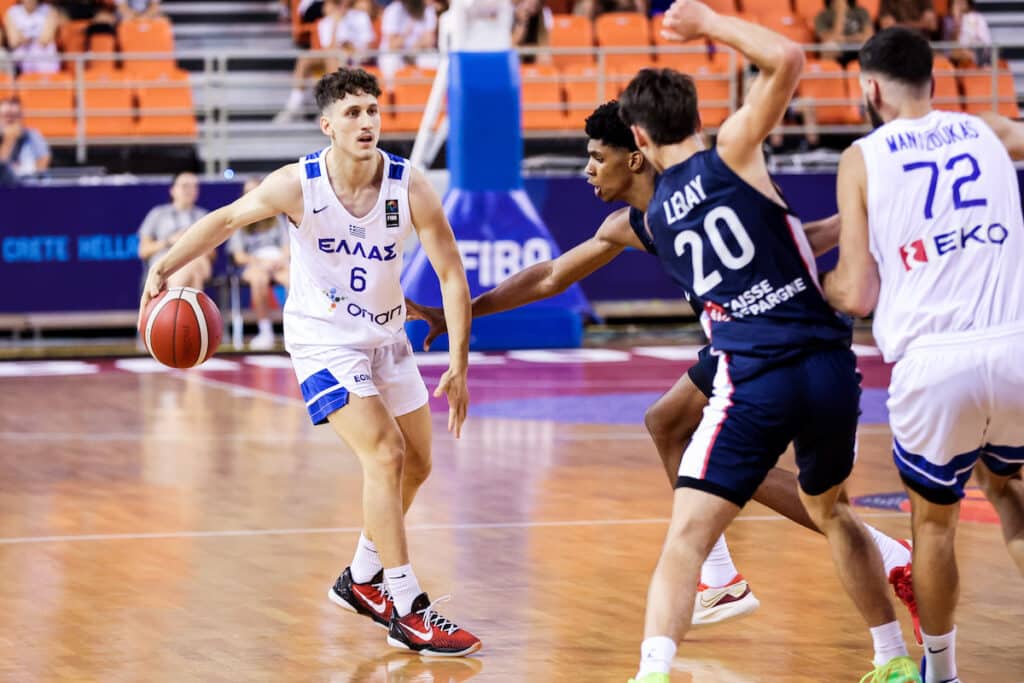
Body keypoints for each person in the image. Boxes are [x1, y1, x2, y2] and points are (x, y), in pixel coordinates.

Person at [407, 99, 919, 632]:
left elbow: (797, 242)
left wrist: (851, 220)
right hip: (735, 342)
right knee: (669, 424)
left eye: (596, 157)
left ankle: (876, 557)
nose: (587, 169)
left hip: (780, 340)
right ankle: (723, 578)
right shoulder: (631, 224)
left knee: (729, 456)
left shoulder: (709, 189)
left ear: (634, 158)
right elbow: (550, 276)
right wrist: (463, 311)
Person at [616, 2, 918, 681]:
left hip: (754, 373)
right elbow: (786, 58)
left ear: (638, 134)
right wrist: (710, 24)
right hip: (831, 365)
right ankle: (894, 660)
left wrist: (846, 220)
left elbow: (775, 243)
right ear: (697, 113)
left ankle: (653, 671)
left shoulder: (658, 216)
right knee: (832, 510)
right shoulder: (733, 152)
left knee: (687, 535)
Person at [138, 67, 480, 656]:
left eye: (372, 110)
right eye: (352, 114)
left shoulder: (410, 186)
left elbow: (451, 272)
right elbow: (224, 221)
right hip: (323, 342)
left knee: (419, 463)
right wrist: (166, 266)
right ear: (327, 125)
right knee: (386, 453)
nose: (366, 122)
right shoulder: (299, 184)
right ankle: (409, 607)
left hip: (387, 338)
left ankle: (361, 580)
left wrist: (459, 362)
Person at [823, 28, 1024, 683]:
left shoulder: (862, 157)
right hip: (1016, 343)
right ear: (935, 80)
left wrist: (809, 277)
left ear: (870, 88)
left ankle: (940, 672)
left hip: (935, 364)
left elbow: (856, 290)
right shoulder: (989, 128)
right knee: (1010, 490)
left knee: (934, 527)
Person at [276, 0, 375, 123]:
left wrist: (350, 49)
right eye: (337, 3)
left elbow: (367, 48)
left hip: (357, 59)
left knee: (333, 57)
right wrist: (336, 25)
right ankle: (294, 105)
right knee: (307, 58)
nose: (342, 4)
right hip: (336, 58)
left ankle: (330, 109)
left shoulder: (361, 17)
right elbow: (328, 48)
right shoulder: (326, 22)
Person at [227, 177, 291, 350]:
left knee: (292, 279)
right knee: (259, 280)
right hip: (254, 265)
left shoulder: (276, 216)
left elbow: (287, 247)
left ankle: (295, 330)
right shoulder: (239, 219)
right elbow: (239, 256)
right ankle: (265, 332)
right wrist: (261, 262)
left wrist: (278, 260)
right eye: (248, 191)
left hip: (277, 263)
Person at [137, 171, 214, 291]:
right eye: (185, 186)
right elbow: (143, 251)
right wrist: (169, 241)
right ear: (173, 190)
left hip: (197, 260)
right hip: (165, 262)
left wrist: (191, 243)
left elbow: (212, 253)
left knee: (191, 264)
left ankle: (172, 306)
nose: (190, 190)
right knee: (191, 272)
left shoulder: (204, 216)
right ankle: (194, 308)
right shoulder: (157, 214)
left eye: (194, 186)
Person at [377, 0, 439, 82]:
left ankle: (427, 92)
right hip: (396, 52)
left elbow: (430, 39)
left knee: (434, 60)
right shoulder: (393, 10)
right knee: (390, 61)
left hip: (418, 50)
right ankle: (391, 93)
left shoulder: (427, 9)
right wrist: (406, 34)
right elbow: (392, 45)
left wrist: (415, 47)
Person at [0, 96, 51, 184]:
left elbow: (43, 163)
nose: (10, 119)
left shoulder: (32, 135)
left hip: (28, 187)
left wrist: (23, 171)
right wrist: (8, 141)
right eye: (6, 115)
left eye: (15, 115)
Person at [4, 0, 60, 75]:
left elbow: (45, 39)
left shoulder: (49, 11)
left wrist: (27, 38)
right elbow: (13, 42)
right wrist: (24, 40)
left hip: (43, 51)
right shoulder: (11, 13)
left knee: (42, 56)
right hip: (21, 53)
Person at [814, 0, 873, 66]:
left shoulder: (861, 11)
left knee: (870, 47)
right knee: (828, 47)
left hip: (858, 46)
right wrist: (841, 12)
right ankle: (829, 74)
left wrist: (846, 39)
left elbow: (869, 36)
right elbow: (829, 38)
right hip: (838, 49)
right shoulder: (822, 15)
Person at [941, 0, 991, 66]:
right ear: (951, 5)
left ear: (968, 4)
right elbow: (953, 43)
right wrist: (957, 19)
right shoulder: (947, 20)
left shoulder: (978, 18)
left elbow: (986, 42)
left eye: (962, 3)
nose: (960, 6)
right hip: (953, 53)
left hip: (976, 51)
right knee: (960, 53)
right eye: (957, 3)